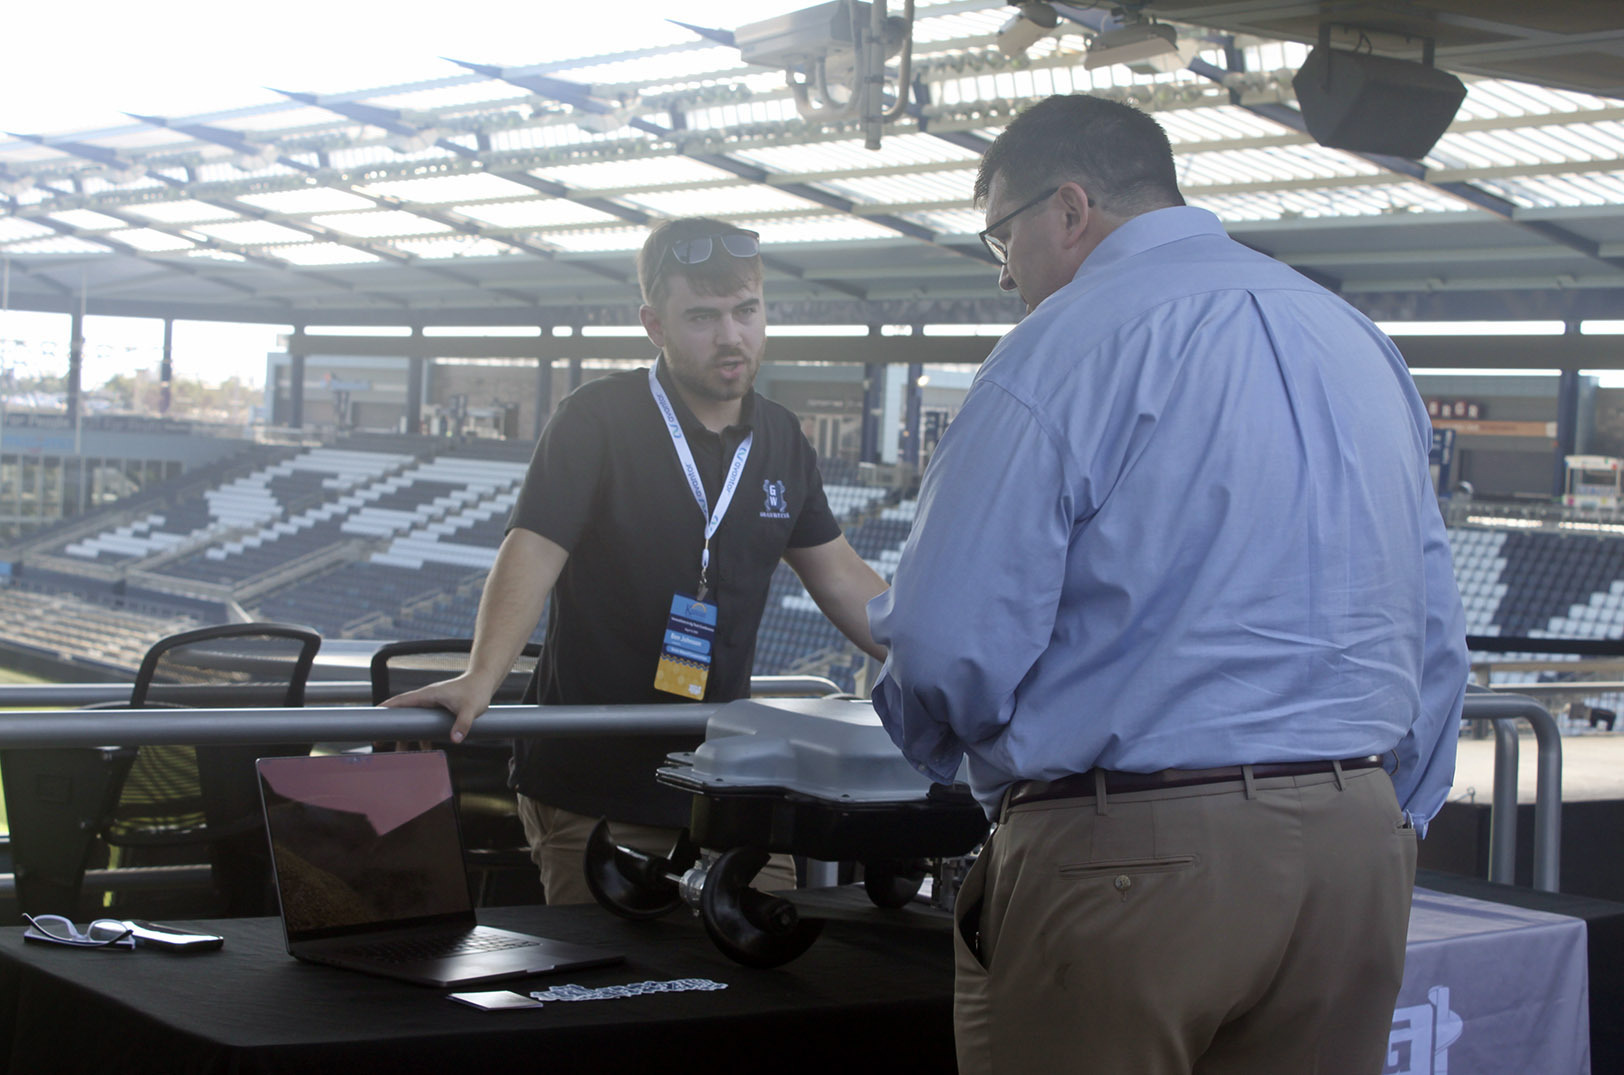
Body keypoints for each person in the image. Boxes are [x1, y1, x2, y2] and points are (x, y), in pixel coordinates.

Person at [867, 94, 1467, 1075]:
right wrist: (1378, 813)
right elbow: (1435, 628)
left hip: (1128, 850)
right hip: (1355, 853)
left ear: (1069, 208)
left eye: (999, 237)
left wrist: (948, 753)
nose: (1006, 272)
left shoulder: (1059, 348)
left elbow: (942, 635)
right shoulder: (1355, 340)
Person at [386, 216, 888, 904]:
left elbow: (840, 575)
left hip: (723, 782)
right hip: (593, 781)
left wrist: (942, 663)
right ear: (654, 324)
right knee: (614, 994)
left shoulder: (781, 438)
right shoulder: (595, 418)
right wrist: (481, 675)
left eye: (747, 311)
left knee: (761, 979)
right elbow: (530, 551)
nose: (731, 335)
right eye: (702, 317)